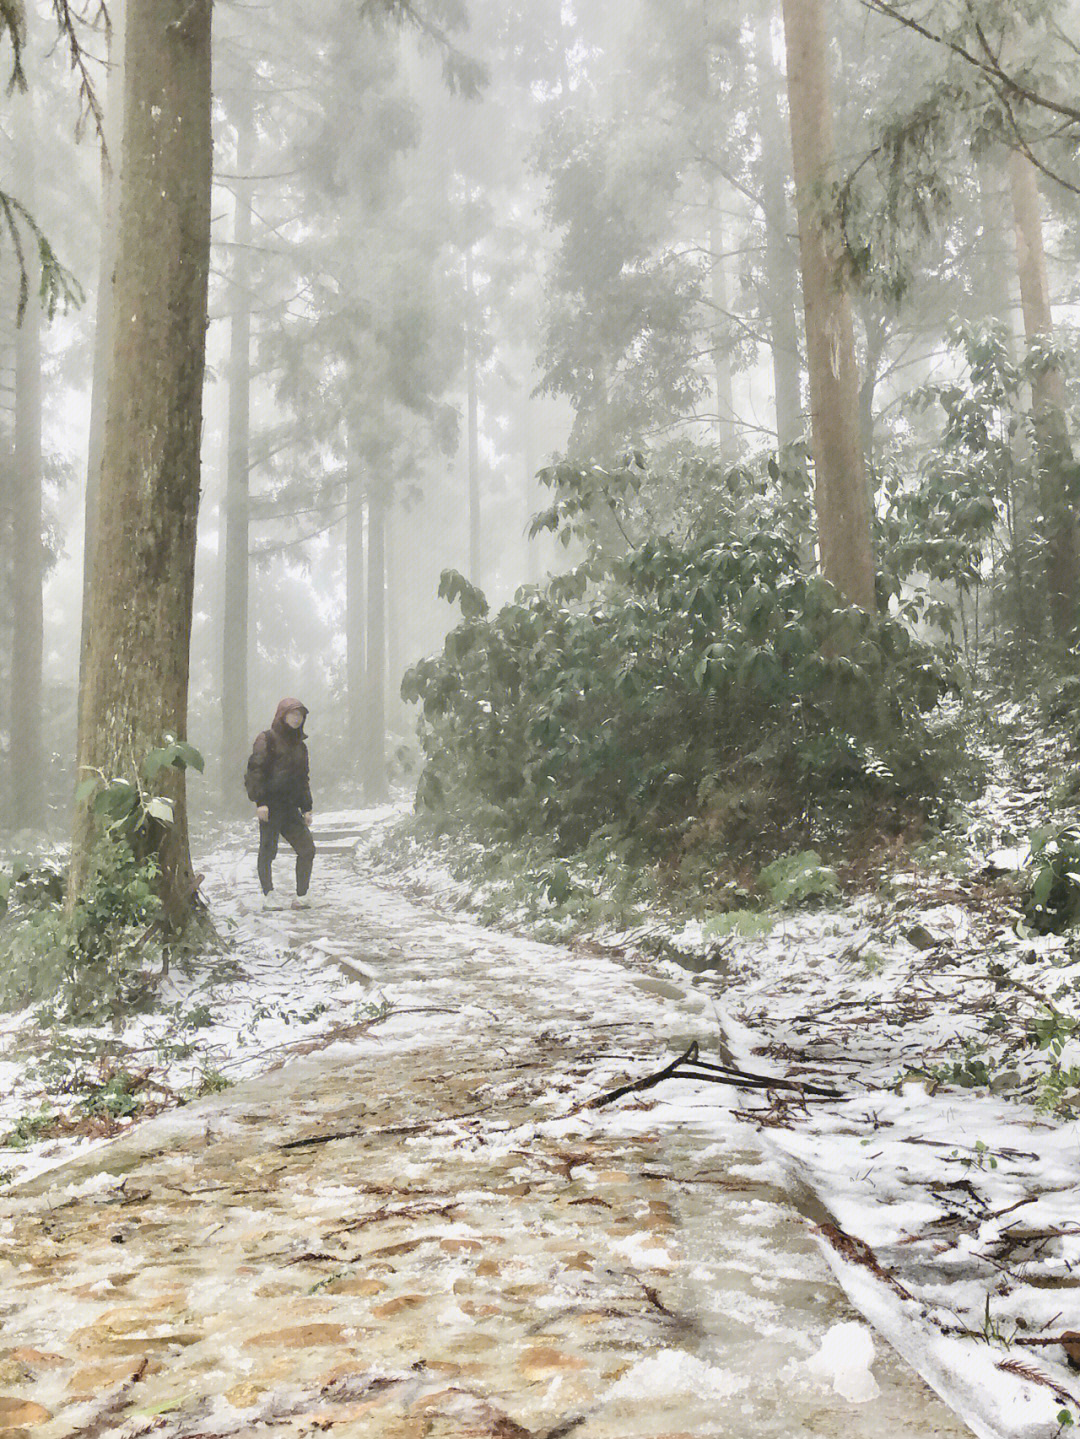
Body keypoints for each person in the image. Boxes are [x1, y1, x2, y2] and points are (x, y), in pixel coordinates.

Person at [244, 697, 316, 909]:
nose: (297, 718)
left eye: (300, 715)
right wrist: (261, 802)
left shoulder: (301, 746)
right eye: (293, 713)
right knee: (268, 850)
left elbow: (303, 778)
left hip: (291, 807)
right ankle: (269, 896)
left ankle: (301, 897)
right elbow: (255, 771)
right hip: (271, 806)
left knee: (307, 849)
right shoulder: (267, 739)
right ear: (282, 715)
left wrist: (307, 808)